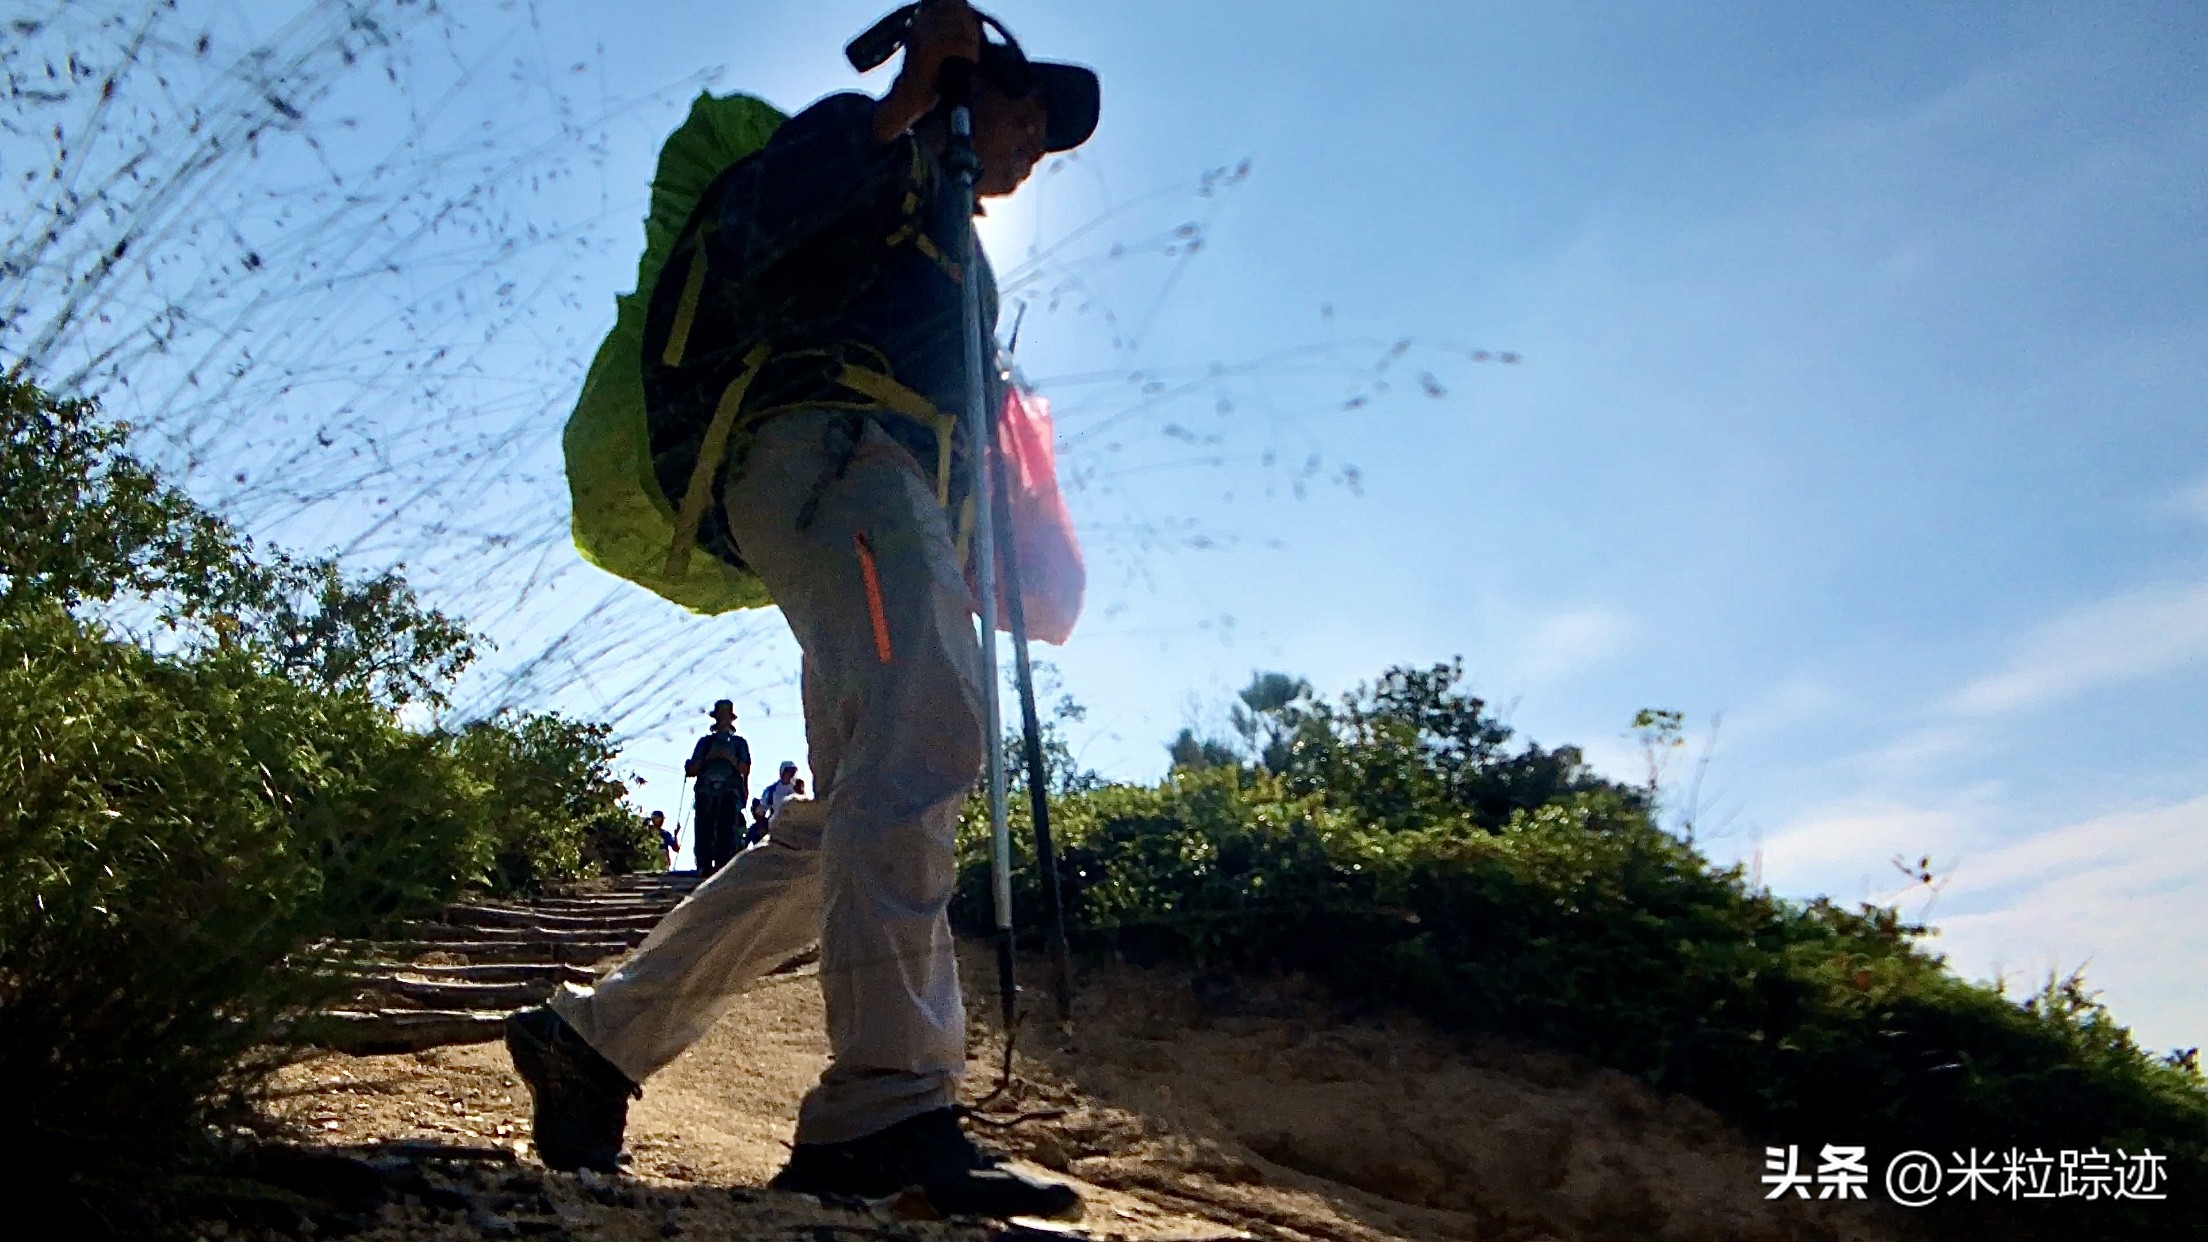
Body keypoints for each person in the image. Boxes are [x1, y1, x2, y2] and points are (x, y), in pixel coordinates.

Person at [503, 1, 1097, 1219]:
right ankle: (885, 1110)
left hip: (871, 484)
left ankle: (597, 1039)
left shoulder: (947, 227)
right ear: (966, 88)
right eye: (1028, 109)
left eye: (1050, 130)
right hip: (840, 459)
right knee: (926, 736)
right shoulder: (864, 139)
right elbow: (771, 230)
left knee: (848, 813)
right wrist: (898, 106)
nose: (1040, 141)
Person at [686, 699, 752, 876]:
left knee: (727, 829)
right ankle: (704, 865)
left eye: (726, 716)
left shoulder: (739, 743)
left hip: (729, 790)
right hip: (706, 790)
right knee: (704, 829)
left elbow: (745, 769)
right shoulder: (705, 743)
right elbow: (692, 769)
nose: (723, 720)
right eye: (720, 716)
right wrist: (709, 757)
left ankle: (725, 865)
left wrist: (729, 758)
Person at [749, 760, 801, 846]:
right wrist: (762, 825)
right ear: (782, 772)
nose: (791, 773)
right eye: (788, 771)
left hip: (793, 824)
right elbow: (762, 808)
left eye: (793, 771)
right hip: (775, 823)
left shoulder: (797, 788)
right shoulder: (772, 790)